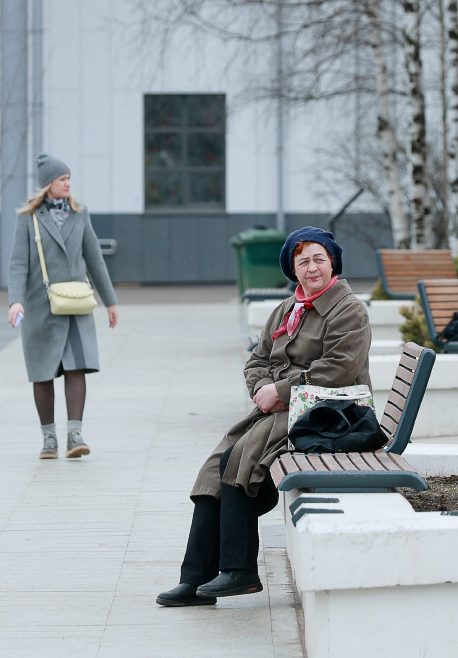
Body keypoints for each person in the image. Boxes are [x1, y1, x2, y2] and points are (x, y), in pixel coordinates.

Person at [156, 227, 371, 607]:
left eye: (319, 259)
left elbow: (339, 367)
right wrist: (261, 389)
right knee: (213, 469)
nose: (311, 268)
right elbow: (257, 358)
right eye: (302, 261)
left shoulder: (348, 308)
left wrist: (280, 390)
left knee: (239, 457)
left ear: (333, 262)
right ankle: (194, 579)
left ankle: (240, 571)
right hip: (286, 406)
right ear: (293, 268)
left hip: (330, 411)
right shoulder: (287, 309)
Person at [7, 153, 119, 460]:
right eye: (62, 179)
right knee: (42, 373)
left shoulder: (79, 214)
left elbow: (94, 258)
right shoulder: (27, 219)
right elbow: (17, 264)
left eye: (69, 179)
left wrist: (110, 302)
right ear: (48, 185)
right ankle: (48, 439)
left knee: (76, 367)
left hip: (76, 305)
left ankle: (74, 434)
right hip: (40, 308)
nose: (68, 184)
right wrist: (15, 301)